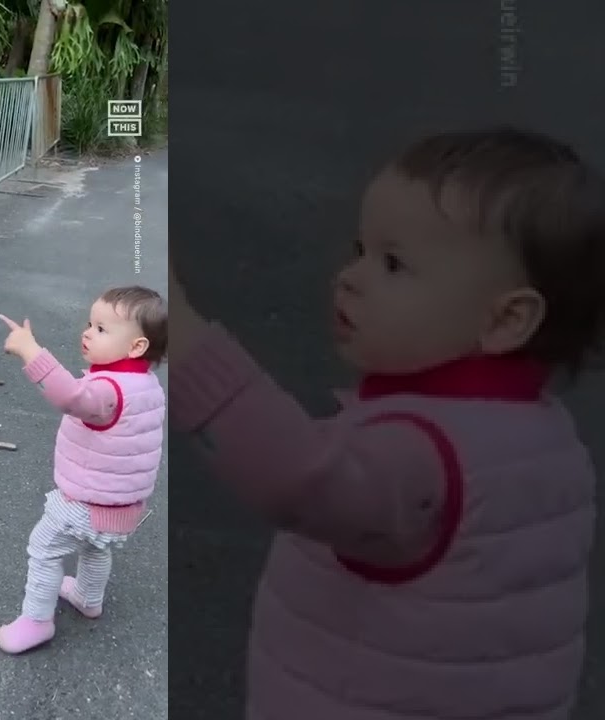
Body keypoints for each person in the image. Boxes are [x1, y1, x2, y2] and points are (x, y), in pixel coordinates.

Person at [169, 127, 603, 719]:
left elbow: (294, 476)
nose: (351, 276)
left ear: (506, 320)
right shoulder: (547, 439)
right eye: (359, 249)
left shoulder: (422, 456)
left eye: (393, 264)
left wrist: (183, 335)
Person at [0, 286, 168, 654]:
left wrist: (30, 350)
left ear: (136, 347)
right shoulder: (146, 384)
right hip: (121, 507)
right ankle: (88, 597)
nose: (87, 332)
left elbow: (69, 396)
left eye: (102, 329)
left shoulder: (109, 390)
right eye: (90, 323)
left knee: (44, 548)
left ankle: (37, 621)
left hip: (85, 504)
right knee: (95, 548)